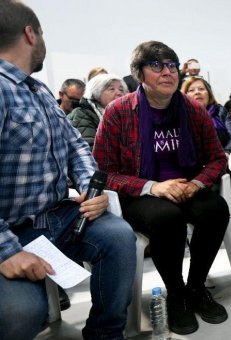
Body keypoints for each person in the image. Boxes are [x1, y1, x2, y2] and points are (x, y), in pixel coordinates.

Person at [0, 2, 136, 339]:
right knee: (21, 313)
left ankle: (105, 333)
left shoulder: (39, 91)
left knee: (119, 238)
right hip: (9, 229)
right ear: (31, 34)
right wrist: (6, 251)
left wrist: (94, 190)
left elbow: (75, 145)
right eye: (43, 33)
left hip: (54, 217)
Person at [93, 41, 230, 335]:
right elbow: (102, 171)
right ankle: (176, 294)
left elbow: (218, 158)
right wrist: (152, 187)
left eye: (171, 65)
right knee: (166, 217)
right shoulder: (119, 111)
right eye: (156, 65)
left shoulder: (193, 109)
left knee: (215, 209)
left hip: (184, 186)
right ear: (139, 74)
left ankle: (195, 287)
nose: (167, 71)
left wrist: (196, 183)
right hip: (142, 192)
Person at [67, 73, 127, 149]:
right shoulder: (81, 114)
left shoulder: (124, 114)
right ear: (96, 92)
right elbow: (90, 148)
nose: (119, 93)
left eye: (121, 90)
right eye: (111, 89)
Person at [182, 76, 231, 153]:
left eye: (201, 89)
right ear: (184, 96)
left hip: (225, 159)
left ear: (209, 94)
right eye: (191, 90)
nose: (197, 92)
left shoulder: (220, 111)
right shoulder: (181, 116)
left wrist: (226, 153)